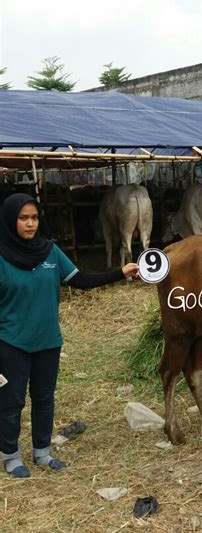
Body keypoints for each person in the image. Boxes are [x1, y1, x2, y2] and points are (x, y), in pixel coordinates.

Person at [0, 193, 139, 478]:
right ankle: (11, 455)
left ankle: (42, 453)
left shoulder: (50, 252)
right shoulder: (1, 257)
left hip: (48, 341)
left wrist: (119, 273)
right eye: (23, 218)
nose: (30, 224)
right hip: (11, 343)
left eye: (34, 218)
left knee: (44, 398)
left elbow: (81, 280)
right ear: (9, 220)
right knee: (11, 402)